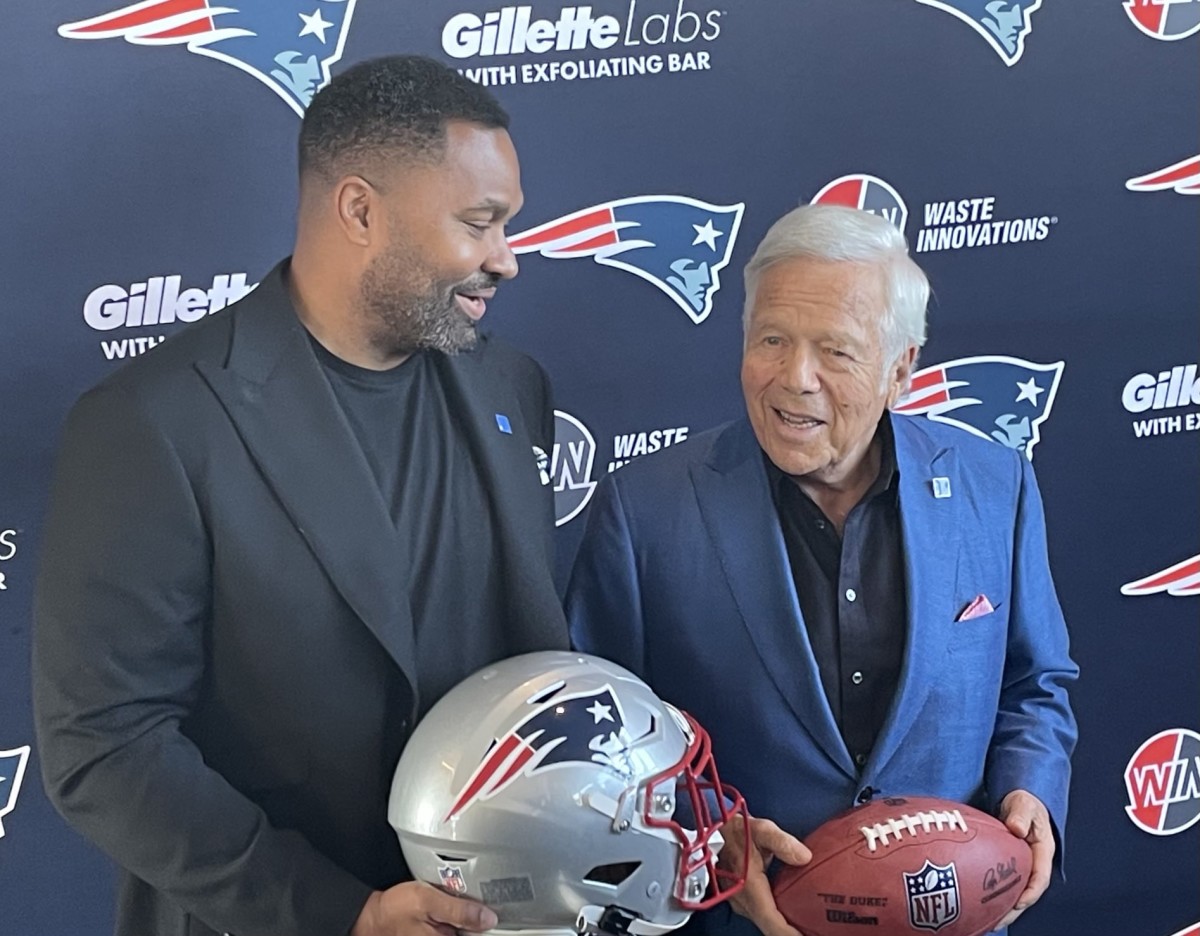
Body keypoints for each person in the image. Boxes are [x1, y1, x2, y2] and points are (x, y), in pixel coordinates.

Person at [33, 55, 568, 936]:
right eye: (479, 223)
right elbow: (105, 747)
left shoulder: (509, 384)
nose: (505, 260)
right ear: (359, 209)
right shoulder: (150, 424)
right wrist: (344, 914)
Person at [566, 203, 1077, 936]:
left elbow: (1036, 683)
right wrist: (706, 835)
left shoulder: (995, 487)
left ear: (901, 369)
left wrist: (1031, 790)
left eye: (835, 351)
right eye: (772, 339)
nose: (795, 378)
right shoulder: (643, 509)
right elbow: (599, 742)